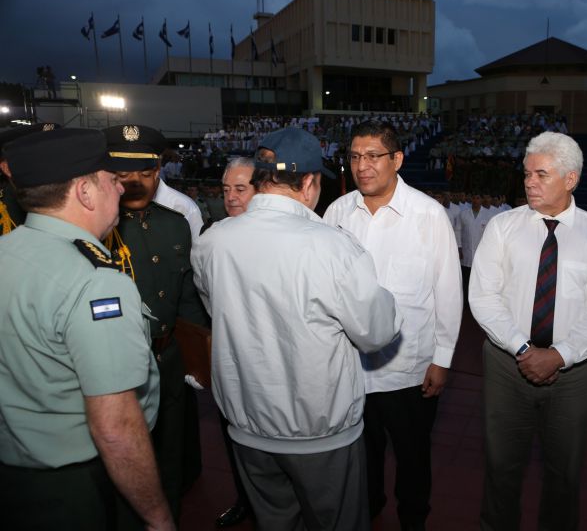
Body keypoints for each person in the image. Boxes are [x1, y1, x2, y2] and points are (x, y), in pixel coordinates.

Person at [192, 127, 401, 531]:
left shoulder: (213, 242)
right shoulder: (334, 247)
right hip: (320, 436)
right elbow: (376, 333)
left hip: (248, 428)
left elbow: (217, 309)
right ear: (308, 182)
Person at [0, 128, 172, 530]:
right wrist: (158, 517)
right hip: (79, 486)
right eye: (112, 179)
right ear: (85, 192)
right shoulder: (94, 281)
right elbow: (114, 427)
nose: (121, 188)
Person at [469, 131, 587, 530]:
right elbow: (484, 297)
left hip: (574, 374)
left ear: (570, 179)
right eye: (526, 173)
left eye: (541, 174)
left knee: (565, 475)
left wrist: (559, 355)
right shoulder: (502, 226)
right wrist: (524, 349)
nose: (529, 182)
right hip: (507, 366)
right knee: (501, 469)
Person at [323, 120, 463, 530]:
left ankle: (413, 519)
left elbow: (448, 291)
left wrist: (443, 358)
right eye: (354, 157)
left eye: (372, 156)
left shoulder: (428, 215)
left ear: (396, 159)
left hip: (409, 368)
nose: (361, 166)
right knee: (360, 455)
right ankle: (368, 509)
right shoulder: (337, 212)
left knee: (413, 456)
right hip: (350, 367)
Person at [104, 124, 209, 527]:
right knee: (122, 464)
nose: (136, 183)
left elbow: (186, 298)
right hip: (116, 368)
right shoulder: (96, 228)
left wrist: (197, 358)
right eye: (124, 174)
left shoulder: (174, 222)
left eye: (146, 172)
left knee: (170, 461)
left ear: (159, 171)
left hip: (167, 359)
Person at [211, 155, 258, 529]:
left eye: (240, 188)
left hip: (276, 365)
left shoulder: (287, 238)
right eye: (226, 189)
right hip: (230, 361)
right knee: (233, 436)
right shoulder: (213, 238)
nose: (231, 197)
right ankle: (245, 498)